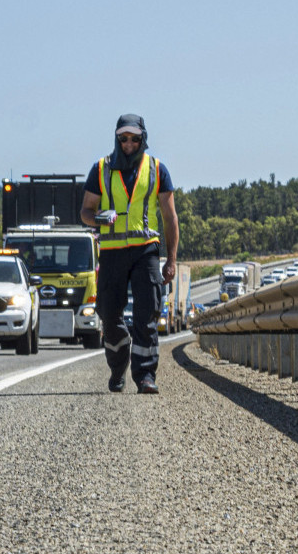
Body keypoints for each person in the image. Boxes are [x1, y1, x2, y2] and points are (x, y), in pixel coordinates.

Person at [80, 114, 179, 395]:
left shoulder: (157, 170)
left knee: (147, 310)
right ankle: (118, 364)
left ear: (142, 138)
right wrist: (99, 218)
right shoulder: (100, 169)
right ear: (116, 138)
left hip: (145, 250)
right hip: (111, 252)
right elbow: (85, 212)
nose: (128, 143)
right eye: (123, 138)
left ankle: (145, 374)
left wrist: (170, 260)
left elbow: (170, 219)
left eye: (134, 138)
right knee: (109, 315)